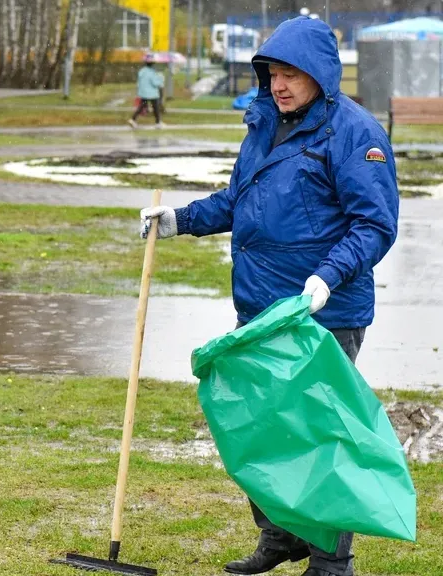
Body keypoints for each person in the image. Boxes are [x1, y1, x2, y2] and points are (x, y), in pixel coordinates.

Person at [139, 16, 398, 576]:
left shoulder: (354, 133)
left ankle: (332, 561)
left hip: (320, 313)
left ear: (321, 76)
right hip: (261, 309)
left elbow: (374, 225)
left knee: (322, 434)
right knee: (262, 427)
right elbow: (240, 200)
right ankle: (279, 538)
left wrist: (327, 277)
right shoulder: (263, 123)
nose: (279, 85)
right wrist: (180, 219)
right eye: (273, 74)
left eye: (291, 75)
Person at [128, 54, 165, 128]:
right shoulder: (152, 72)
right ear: (153, 64)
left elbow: (139, 82)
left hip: (143, 93)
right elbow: (155, 83)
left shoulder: (142, 71)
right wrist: (161, 78)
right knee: (155, 108)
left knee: (141, 107)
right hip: (152, 94)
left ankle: (133, 119)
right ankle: (158, 123)